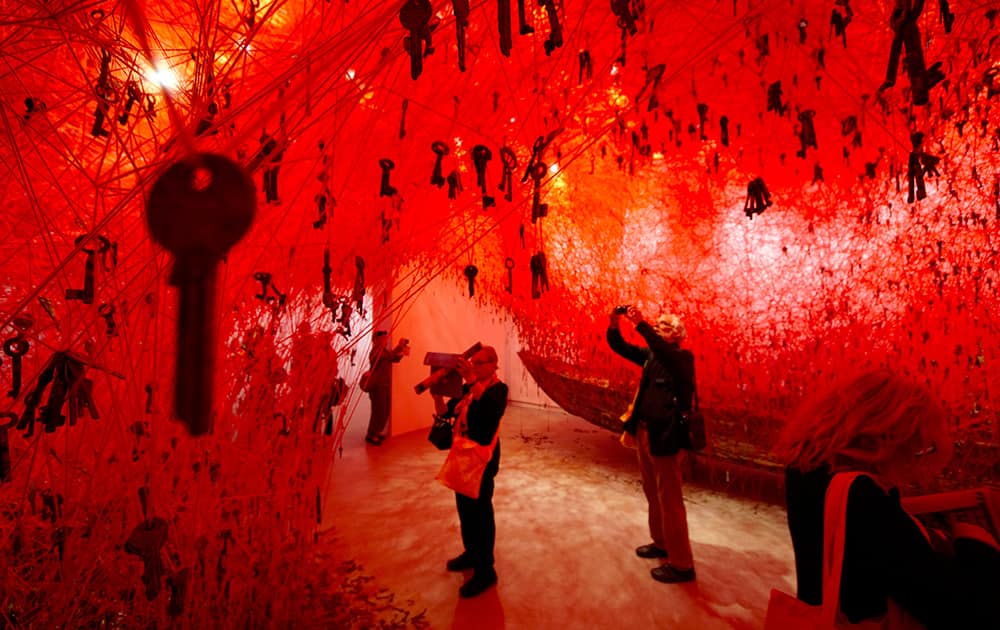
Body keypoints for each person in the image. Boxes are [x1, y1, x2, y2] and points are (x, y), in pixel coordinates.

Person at [775, 369, 1000, 628]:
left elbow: (866, 558)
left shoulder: (804, 471)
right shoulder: (862, 498)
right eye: (917, 444)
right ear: (888, 434)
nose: (914, 457)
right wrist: (975, 541)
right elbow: (956, 609)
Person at [606, 306, 697, 584]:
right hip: (646, 433)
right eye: (656, 324)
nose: (657, 326)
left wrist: (641, 323)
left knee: (670, 500)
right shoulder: (653, 356)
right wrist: (614, 323)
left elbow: (661, 347)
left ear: (677, 335)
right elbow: (620, 346)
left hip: (667, 437)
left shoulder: (681, 358)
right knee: (652, 493)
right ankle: (661, 543)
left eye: (664, 325)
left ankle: (682, 565)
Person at [432, 345, 508, 598]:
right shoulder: (466, 389)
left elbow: (488, 414)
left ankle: (486, 570)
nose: (473, 366)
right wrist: (437, 396)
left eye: (479, 363)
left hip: (482, 460)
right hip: (462, 456)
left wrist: (471, 380)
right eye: (472, 363)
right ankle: (471, 553)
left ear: (493, 364)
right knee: (464, 507)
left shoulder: (499, 390)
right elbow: (449, 414)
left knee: (481, 512)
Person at [364, 331, 409, 445]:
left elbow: (392, 358)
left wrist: (401, 350)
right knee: (378, 411)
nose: (385, 341)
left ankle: (377, 431)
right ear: (375, 340)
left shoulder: (384, 351)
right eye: (382, 339)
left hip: (385, 384)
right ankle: (371, 434)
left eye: (385, 339)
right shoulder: (375, 351)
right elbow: (389, 357)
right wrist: (400, 347)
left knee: (384, 410)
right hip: (378, 385)